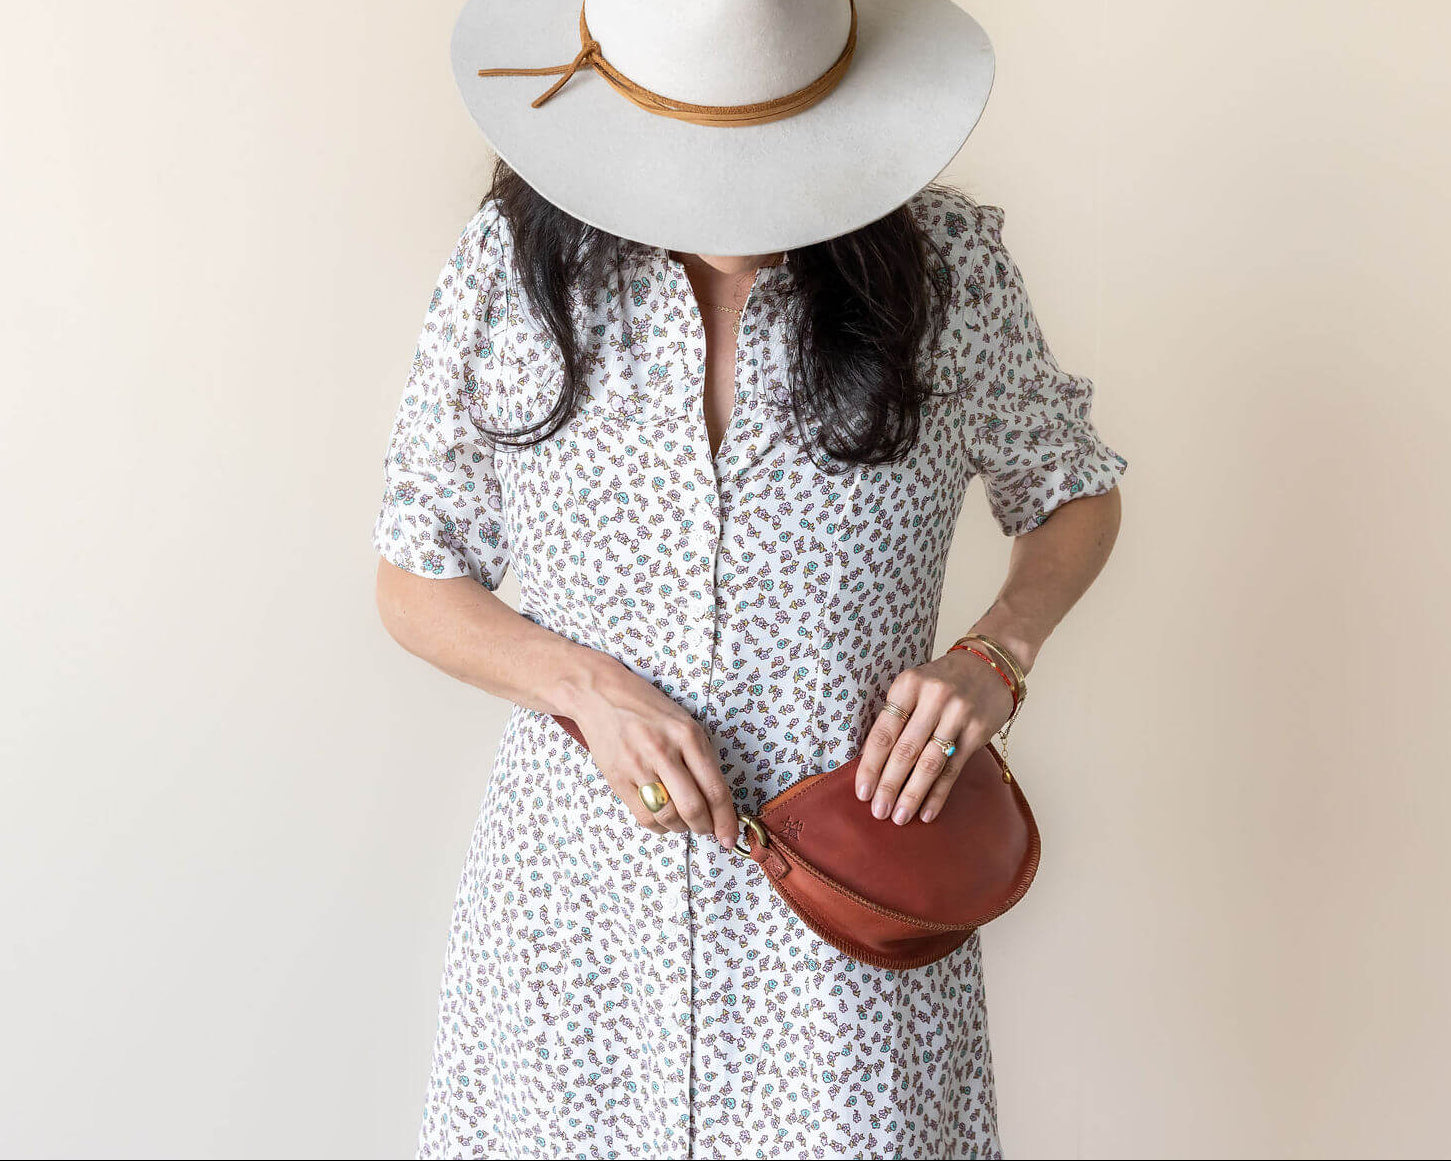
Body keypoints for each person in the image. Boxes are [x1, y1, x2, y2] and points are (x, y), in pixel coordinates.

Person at [370, 2, 1127, 1157]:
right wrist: (580, 686)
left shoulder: (946, 273)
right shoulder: (511, 276)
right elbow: (415, 577)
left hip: (848, 933)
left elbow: (1069, 488)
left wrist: (996, 653)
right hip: (576, 934)